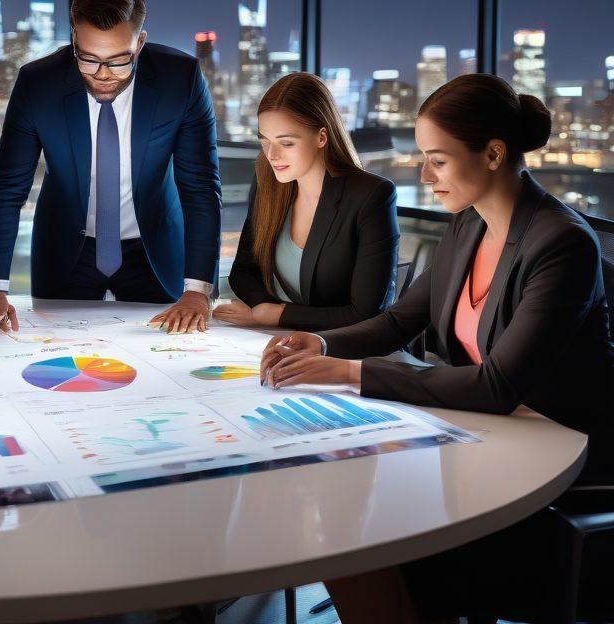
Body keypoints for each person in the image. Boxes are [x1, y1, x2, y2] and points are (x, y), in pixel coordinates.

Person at [259, 73, 614, 623]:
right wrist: (320, 339)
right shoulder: (468, 226)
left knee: (367, 538)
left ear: (494, 153)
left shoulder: (561, 243)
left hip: (559, 456)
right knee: (345, 521)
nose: (423, 176)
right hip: (490, 434)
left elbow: (496, 386)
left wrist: (348, 372)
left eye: (438, 160)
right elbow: (402, 318)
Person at [0, 0, 222, 334]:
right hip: (66, 252)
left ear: (139, 43)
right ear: (74, 38)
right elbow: (7, 189)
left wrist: (199, 289)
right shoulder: (37, 83)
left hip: (153, 250)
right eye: (88, 59)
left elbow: (200, 186)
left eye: (118, 60)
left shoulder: (179, 79)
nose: (103, 74)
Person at [214, 72, 398, 330]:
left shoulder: (371, 196)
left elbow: (367, 313)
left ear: (322, 137)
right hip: (279, 336)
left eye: (286, 143)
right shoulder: (268, 181)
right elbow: (243, 271)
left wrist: (276, 315)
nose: (272, 155)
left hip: (345, 348)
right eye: (264, 141)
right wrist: (265, 311)